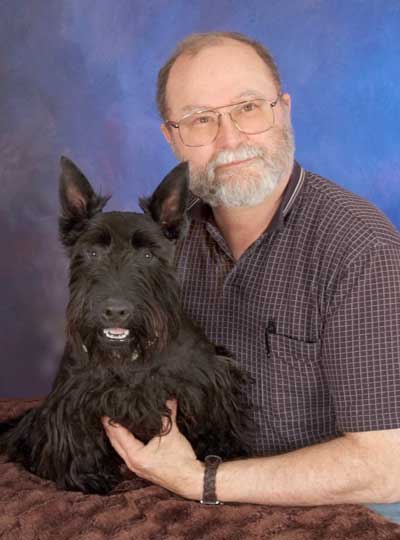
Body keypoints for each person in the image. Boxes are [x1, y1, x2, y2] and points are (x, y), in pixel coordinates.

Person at [102, 32, 400, 514]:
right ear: (172, 138)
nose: (230, 138)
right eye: (200, 120)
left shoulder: (361, 250)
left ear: (282, 110)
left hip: (349, 508)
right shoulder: (164, 241)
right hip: (206, 495)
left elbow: (388, 466)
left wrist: (200, 480)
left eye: (248, 108)